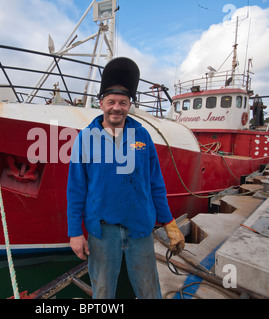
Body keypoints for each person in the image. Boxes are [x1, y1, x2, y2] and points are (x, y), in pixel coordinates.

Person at [66, 57, 185, 299]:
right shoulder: (85, 138)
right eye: (111, 102)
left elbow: (155, 184)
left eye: (122, 102)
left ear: (129, 105)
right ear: (101, 104)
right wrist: (74, 233)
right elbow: (76, 189)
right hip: (102, 230)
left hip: (139, 226)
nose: (116, 107)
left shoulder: (143, 136)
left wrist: (168, 222)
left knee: (149, 289)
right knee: (103, 291)